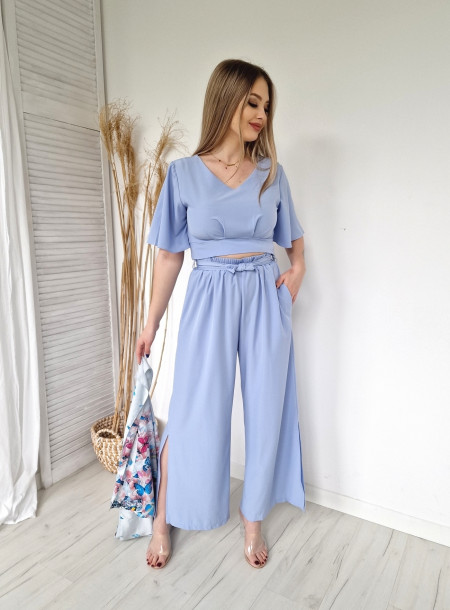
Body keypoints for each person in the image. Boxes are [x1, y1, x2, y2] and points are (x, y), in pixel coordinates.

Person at [135, 58, 306, 570]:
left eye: (266, 106)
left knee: (266, 410)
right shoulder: (183, 174)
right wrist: (150, 323)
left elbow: (294, 242)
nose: (260, 115)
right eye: (252, 102)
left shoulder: (272, 174)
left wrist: (296, 271)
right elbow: (169, 256)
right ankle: (163, 519)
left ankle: (253, 519)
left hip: (263, 294)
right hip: (208, 293)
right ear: (225, 98)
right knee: (193, 412)